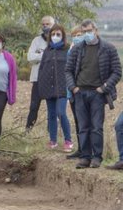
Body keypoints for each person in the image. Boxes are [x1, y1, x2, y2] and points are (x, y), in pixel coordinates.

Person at [66, 19, 121, 169]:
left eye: (89, 31)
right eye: (84, 32)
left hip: (97, 93)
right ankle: (85, 157)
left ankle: (97, 157)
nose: (87, 34)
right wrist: (73, 88)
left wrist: (104, 88)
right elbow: (68, 70)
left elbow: (117, 71)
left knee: (96, 126)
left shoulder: (108, 49)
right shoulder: (77, 49)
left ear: (96, 31)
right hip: (80, 93)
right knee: (83, 126)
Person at [38, 24, 73, 152]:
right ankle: (53, 141)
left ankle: (68, 140)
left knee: (61, 113)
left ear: (62, 36)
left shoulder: (67, 50)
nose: (55, 36)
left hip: (62, 88)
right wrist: (41, 87)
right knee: (51, 115)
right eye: (53, 34)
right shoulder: (47, 51)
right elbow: (42, 69)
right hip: (49, 88)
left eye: (58, 34)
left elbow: (71, 69)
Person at [26, 15, 55, 131]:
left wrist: (39, 55)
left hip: (52, 80)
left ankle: (51, 134)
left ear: (53, 25)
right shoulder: (36, 41)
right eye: (43, 24)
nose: (45, 26)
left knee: (51, 109)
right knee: (33, 107)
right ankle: (28, 131)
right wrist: (46, 55)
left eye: (47, 24)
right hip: (37, 79)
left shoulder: (57, 40)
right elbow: (30, 57)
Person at [66, 26, 84, 159]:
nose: (77, 37)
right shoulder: (70, 50)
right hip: (71, 91)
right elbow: (68, 71)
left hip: (82, 91)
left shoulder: (86, 50)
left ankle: (87, 150)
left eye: (79, 34)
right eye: (75, 35)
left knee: (84, 122)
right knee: (77, 121)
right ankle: (80, 148)